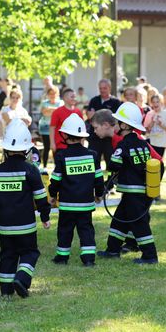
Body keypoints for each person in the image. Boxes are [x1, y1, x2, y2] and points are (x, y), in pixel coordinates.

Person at [0, 119, 51, 298]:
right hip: (26, 225)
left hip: (5, 226)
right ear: (27, 149)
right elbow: (41, 197)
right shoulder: (31, 171)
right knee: (30, 252)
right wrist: (45, 217)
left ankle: (6, 291)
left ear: (5, 148)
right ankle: (22, 278)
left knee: (7, 256)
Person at [97, 102, 159, 264]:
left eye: (117, 122)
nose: (115, 125)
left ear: (124, 125)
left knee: (139, 224)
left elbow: (113, 164)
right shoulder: (143, 143)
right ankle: (112, 250)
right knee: (119, 220)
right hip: (140, 191)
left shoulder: (123, 144)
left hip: (133, 192)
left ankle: (150, 255)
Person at [48, 113, 104, 267]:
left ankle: (62, 257)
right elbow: (99, 179)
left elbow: (56, 180)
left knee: (65, 230)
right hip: (86, 204)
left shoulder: (62, 156)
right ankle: (88, 258)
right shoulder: (92, 155)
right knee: (86, 229)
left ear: (64, 134)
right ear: (82, 136)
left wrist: (52, 195)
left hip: (67, 204)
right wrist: (99, 194)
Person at [87, 79, 121, 165]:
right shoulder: (94, 100)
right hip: (94, 137)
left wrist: (95, 115)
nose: (102, 90)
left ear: (109, 88)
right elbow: (89, 116)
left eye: (104, 88)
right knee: (93, 162)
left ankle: (111, 178)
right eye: (100, 88)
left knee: (111, 163)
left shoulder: (116, 102)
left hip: (109, 138)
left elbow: (117, 120)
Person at [49, 88, 82, 156]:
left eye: (75, 96)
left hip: (75, 146)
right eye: (72, 97)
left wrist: (82, 142)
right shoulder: (57, 112)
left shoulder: (78, 112)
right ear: (65, 98)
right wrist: (52, 143)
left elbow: (81, 130)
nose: (74, 98)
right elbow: (52, 128)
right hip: (61, 146)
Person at [38, 86, 63, 169]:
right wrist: (54, 110)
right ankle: (44, 166)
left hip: (57, 128)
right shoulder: (44, 102)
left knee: (55, 148)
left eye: (54, 93)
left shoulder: (61, 103)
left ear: (57, 94)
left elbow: (59, 114)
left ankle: (57, 167)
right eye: (50, 93)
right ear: (48, 94)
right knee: (47, 147)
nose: (52, 95)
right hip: (45, 128)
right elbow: (45, 113)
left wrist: (50, 109)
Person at [143, 93, 166, 158]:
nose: (155, 104)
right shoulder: (149, 113)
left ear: (161, 102)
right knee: (150, 163)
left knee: (158, 163)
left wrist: (161, 124)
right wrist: (152, 122)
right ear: (151, 103)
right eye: (153, 102)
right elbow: (147, 130)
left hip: (161, 143)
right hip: (151, 142)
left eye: (157, 102)